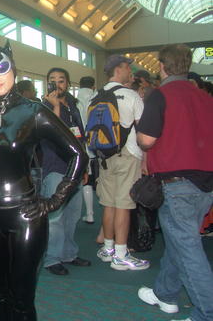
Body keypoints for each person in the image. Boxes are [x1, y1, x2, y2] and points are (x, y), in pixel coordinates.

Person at [0, 41, 87, 320]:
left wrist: (54, 201)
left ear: (13, 69)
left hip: (24, 215)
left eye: (1, 68)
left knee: (22, 298)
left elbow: (78, 155)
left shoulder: (34, 112)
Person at [136, 44, 213, 321]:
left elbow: (146, 140)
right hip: (206, 183)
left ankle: (207, 312)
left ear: (161, 66)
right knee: (179, 241)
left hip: (177, 182)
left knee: (188, 248)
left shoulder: (160, 95)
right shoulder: (204, 96)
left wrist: (141, 137)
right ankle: (165, 294)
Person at [95, 54, 149, 271]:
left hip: (104, 156)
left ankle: (108, 249)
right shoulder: (131, 95)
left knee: (108, 204)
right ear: (119, 69)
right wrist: (146, 159)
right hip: (128, 154)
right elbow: (143, 132)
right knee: (124, 206)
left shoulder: (97, 96)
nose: (130, 72)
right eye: (128, 68)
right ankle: (120, 254)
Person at [40, 67, 91, 276]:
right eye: (52, 80)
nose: (57, 83)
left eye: (61, 80)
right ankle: (52, 258)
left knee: (72, 215)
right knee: (56, 217)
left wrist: (84, 167)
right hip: (55, 168)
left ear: (68, 84)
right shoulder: (43, 107)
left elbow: (80, 138)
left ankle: (69, 253)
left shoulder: (73, 106)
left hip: (74, 168)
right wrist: (55, 106)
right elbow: (54, 133)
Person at [76, 76, 97, 224]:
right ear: (93, 86)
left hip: (79, 144)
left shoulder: (74, 100)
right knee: (91, 180)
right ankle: (91, 213)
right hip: (99, 144)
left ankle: (87, 214)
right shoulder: (96, 98)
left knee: (82, 180)